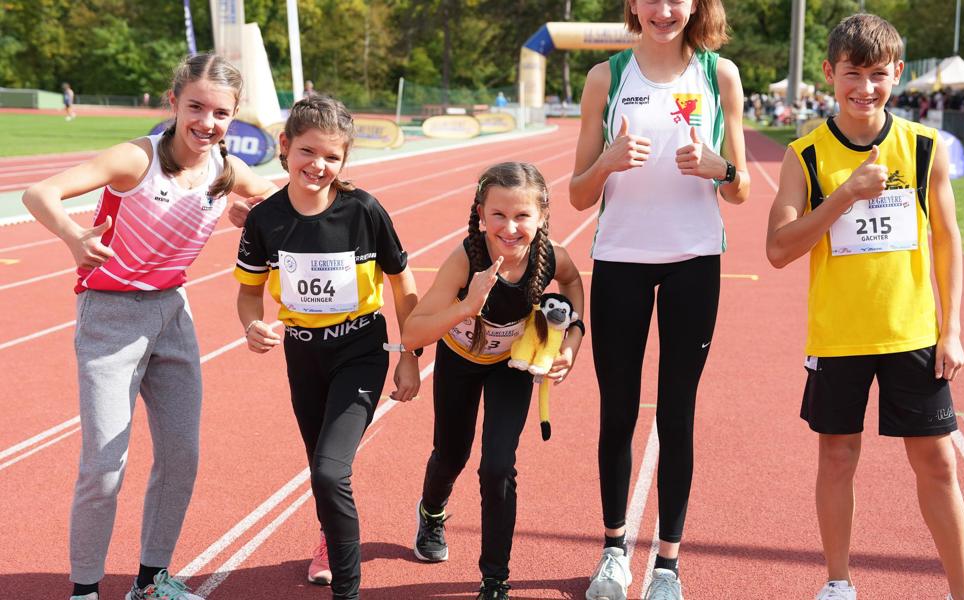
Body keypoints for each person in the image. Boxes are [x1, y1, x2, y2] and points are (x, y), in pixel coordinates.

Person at [22, 53, 278, 600]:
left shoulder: (226, 167)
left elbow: (275, 196)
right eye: (196, 107)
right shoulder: (135, 159)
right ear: (173, 103)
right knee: (104, 467)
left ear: (234, 117)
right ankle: (85, 590)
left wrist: (248, 211)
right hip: (110, 319)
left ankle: (150, 580)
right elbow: (37, 193)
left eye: (221, 113)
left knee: (182, 455)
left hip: (173, 315)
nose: (208, 122)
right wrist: (74, 237)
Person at [764, 14, 964, 600]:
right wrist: (844, 195)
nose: (864, 88)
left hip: (912, 333)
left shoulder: (923, 146)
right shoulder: (805, 156)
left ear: (897, 72)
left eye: (877, 74)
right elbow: (778, 250)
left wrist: (953, 329)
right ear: (828, 74)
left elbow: (947, 239)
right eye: (852, 74)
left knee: (938, 465)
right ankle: (839, 584)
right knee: (838, 458)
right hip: (839, 337)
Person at [568, 0, 749, 598]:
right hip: (619, 259)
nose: (664, 9)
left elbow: (742, 186)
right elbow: (574, 193)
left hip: (694, 263)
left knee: (677, 414)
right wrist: (607, 163)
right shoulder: (607, 77)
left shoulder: (720, 73)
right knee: (617, 412)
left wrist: (718, 167)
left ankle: (668, 565)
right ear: (632, 6)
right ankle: (614, 552)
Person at [234, 94, 420, 600]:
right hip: (303, 354)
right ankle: (329, 537)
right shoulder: (265, 219)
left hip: (359, 349)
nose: (319, 165)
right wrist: (253, 327)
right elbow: (249, 294)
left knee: (329, 469)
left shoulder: (363, 210)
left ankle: (348, 589)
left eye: (332, 157)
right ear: (285, 147)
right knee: (320, 465)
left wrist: (409, 355)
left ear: (345, 160)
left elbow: (403, 286)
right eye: (308, 152)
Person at [402, 162, 584, 600]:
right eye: (498, 215)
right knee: (451, 455)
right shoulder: (466, 258)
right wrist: (467, 306)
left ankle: (495, 579)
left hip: (509, 366)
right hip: (460, 359)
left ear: (541, 216)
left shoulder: (551, 256)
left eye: (522, 216)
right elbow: (412, 332)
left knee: (498, 466)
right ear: (481, 213)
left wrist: (572, 342)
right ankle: (431, 512)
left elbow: (574, 282)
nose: (510, 227)